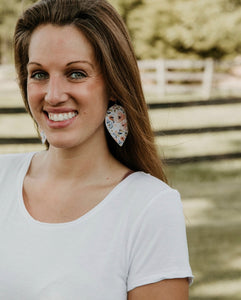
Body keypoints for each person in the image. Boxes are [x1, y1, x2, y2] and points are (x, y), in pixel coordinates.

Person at [0, 0, 193, 298]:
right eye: (39, 74)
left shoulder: (150, 207)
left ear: (114, 84)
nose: (53, 95)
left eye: (76, 73)